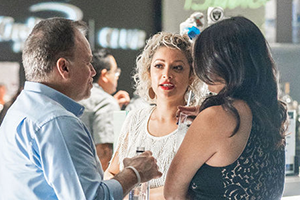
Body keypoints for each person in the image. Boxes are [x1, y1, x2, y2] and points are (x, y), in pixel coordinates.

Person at [0, 17, 162, 200]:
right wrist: (135, 173)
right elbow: (91, 197)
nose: (92, 72)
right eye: (87, 62)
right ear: (64, 68)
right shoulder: (57, 122)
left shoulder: (20, 109)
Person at [164, 16, 287, 200]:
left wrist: (210, 115)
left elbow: (173, 194)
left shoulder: (217, 118)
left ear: (216, 63)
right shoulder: (273, 113)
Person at [105, 32, 207, 199]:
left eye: (177, 67)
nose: (167, 74)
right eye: (159, 66)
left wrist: (131, 194)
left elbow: (191, 190)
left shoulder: (197, 125)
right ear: (148, 73)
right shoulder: (135, 119)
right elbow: (111, 172)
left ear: (191, 76)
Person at [79, 49, 130, 171]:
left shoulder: (79, 95)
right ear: (104, 75)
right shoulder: (105, 103)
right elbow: (104, 152)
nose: (117, 77)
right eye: (115, 72)